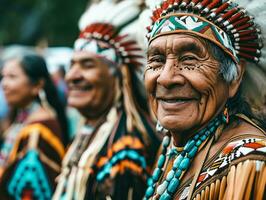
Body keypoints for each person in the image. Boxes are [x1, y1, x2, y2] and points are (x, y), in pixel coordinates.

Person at [142, 0, 266, 199]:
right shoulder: (171, 149)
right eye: (157, 60)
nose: (165, 78)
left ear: (234, 77)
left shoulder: (251, 163)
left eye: (189, 59)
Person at [53, 0, 161, 199]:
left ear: (120, 77)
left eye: (87, 65)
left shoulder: (128, 150)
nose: (72, 76)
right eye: (72, 65)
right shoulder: (91, 135)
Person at [0, 53, 68, 199]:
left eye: (12, 77)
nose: (4, 84)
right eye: (3, 77)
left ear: (37, 85)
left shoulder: (38, 131)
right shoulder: (22, 118)